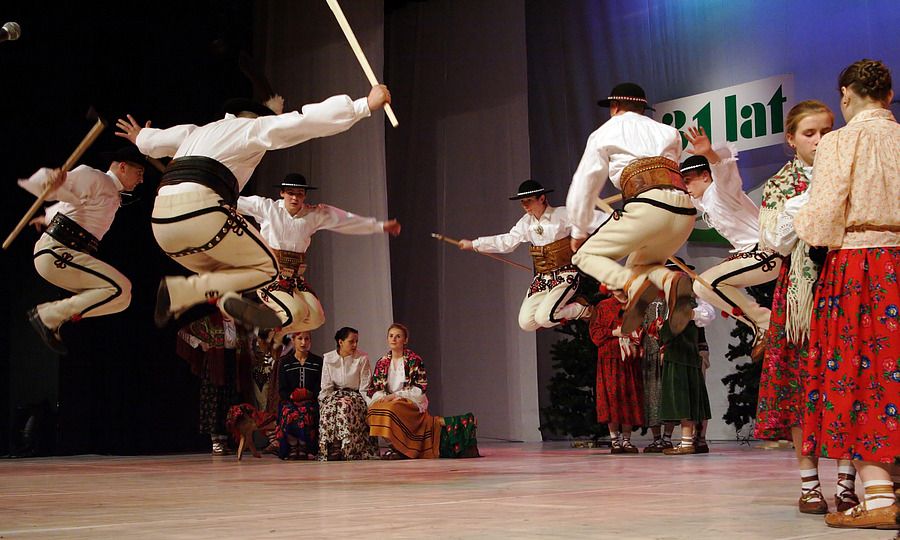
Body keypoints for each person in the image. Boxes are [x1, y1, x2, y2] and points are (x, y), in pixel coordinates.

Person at [114, 86, 391, 329]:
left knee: (225, 274)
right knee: (268, 269)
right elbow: (303, 123)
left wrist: (141, 137)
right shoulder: (251, 129)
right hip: (201, 213)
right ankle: (183, 292)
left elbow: (154, 142)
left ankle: (218, 299)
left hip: (162, 225)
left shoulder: (196, 132)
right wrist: (364, 105)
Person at [794, 59, 899, 529]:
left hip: (861, 267)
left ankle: (878, 497)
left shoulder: (839, 142)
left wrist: (801, 223)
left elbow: (820, 222)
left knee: (862, 374)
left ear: (845, 95)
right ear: (889, 96)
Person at [753, 100, 859, 515]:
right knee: (800, 386)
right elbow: (775, 242)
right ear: (791, 139)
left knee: (846, 382)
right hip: (801, 294)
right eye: (809, 133)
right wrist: (809, 199)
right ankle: (810, 483)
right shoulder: (781, 184)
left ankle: (848, 482)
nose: (819, 140)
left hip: (846, 284)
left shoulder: (850, 171)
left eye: (826, 131)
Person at [566, 82, 696, 337]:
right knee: (642, 264)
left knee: (584, 256)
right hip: (685, 213)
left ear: (615, 106)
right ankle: (670, 280)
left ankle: (631, 284)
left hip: (649, 206)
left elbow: (585, 184)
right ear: (643, 109)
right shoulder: (670, 132)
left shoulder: (605, 132)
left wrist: (579, 230)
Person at [237, 174, 400, 346]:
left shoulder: (313, 214)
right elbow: (231, 201)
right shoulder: (267, 208)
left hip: (294, 279)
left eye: (299, 194)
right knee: (297, 312)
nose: (295, 198)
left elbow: (345, 220)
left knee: (316, 318)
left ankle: (277, 334)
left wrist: (379, 226)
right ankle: (261, 328)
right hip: (270, 276)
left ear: (305, 196)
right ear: (282, 193)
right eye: (290, 193)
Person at [19, 147, 148, 354]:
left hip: (64, 255)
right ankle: (48, 315)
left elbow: (69, 205)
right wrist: (52, 179)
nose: (141, 180)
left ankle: (56, 316)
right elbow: (58, 185)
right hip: (56, 252)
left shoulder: (110, 193)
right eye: (139, 173)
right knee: (120, 288)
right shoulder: (98, 179)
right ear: (123, 167)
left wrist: (46, 217)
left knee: (122, 299)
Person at [680, 128, 782, 360]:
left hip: (765, 253)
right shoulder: (704, 200)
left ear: (705, 176)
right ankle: (760, 324)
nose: (686, 187)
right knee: (702, 287)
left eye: (688, 181)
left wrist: (710, 155)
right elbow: (679, 198)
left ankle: (765, 321)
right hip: (753, 257)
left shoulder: (722, 191)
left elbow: (724, 171)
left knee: (705, 284)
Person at [366, 324, 479, 459]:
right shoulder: (382, 362)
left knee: (391, 409)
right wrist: (383, 397)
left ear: (405, 340)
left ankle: (404, 448)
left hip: (409, 399)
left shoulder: (414, 360)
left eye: (398, 336)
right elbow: (375, 387)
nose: (394, 339)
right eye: (391, 336)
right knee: (374, 409)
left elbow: (420, 387)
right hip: (388, 400)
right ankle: (394, 445)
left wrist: (395, 396)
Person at [176, 311, 254, 455]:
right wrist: (200, 343)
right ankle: (216, 441)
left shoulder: (240, 324)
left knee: (229, 401)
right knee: (214, 401)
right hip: (215, 365)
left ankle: (224, 440)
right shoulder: (211, 321)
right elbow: (183, 332)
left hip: (233, 363)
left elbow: (249, 340)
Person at [590, 293, 644, 453]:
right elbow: (595, 332)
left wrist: (633, 334)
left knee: (628, 397)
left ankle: (627, 440)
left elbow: (642, 328)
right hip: (609, 358)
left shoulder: (634, 304)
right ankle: (615, 440)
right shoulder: (603, 306)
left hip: (629, 359)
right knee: (612, 397)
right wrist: (614, 332)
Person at [317, 327, 378, 461]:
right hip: (335, 394)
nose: (355, 345)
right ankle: (332, 445)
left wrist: (369, 406)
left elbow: (365, 387)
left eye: (356, 341)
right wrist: (326, 401)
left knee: (344, 405)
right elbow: (326, 386)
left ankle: (344, 447)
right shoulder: (329, 358)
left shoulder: (362, 358)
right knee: (330, 406)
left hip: (355, 396)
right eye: (351, 341)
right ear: (341, 342)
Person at [274, 331, 323, 460]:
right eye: (300, 338)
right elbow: (282, 389)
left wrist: (309, 394)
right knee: (289, 412)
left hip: (311, 400)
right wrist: (292, 396)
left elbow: (320, 386)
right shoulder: (285, 362)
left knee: (307, 411)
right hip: (290, 401)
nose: (303, 342)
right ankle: (292, 445)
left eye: (306, 339)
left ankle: (305, 446)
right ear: (293, 340)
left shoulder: (317, 362)